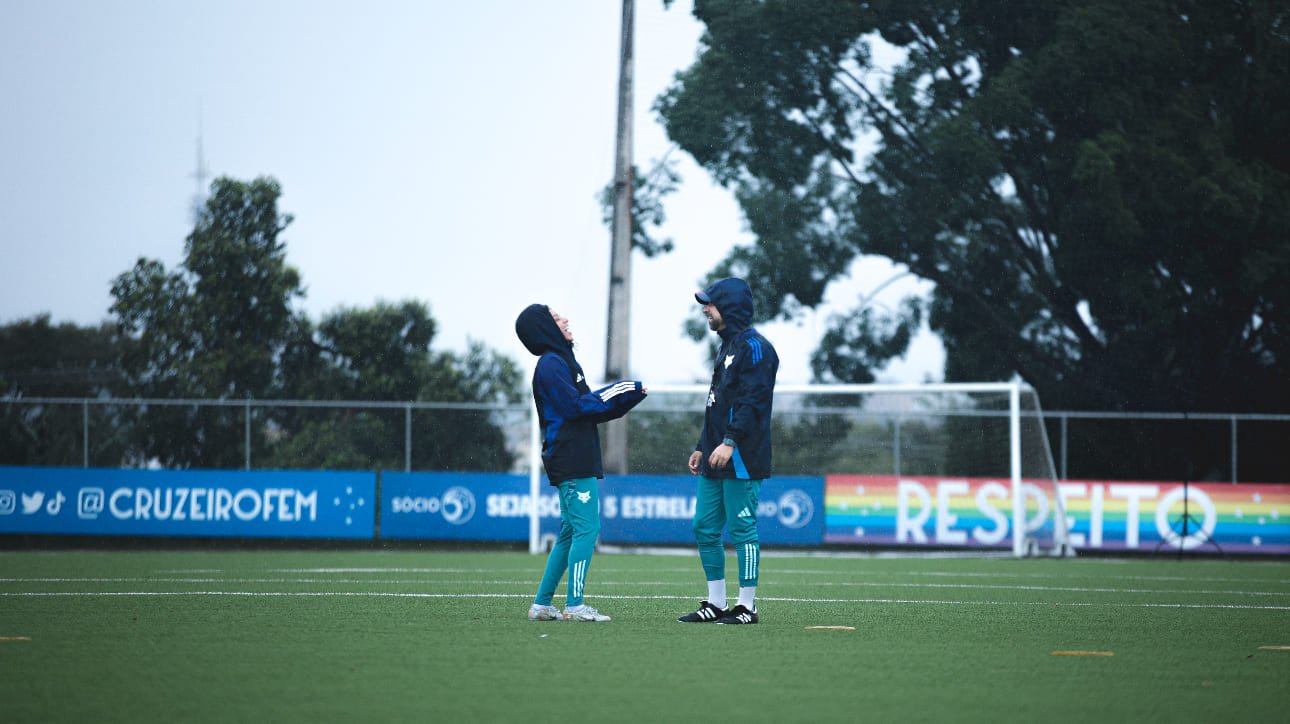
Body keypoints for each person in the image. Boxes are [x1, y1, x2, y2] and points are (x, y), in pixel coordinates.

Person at [515, 303, 647, 622]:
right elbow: (576, 407)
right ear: (545, 328)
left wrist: (628, 397)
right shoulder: (551, 365)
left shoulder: (562, 361)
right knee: (588, 528)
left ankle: (542, 604)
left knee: (570, 531)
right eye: (557, 318)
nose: (565, 319)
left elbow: (592, 409)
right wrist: (623, 387)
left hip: (573, 455)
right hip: (570, 457)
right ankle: (574, 605)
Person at [677, 278, 778, 625]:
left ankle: (747, 607)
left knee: (742, 529)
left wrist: (730, 441)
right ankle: (717, 603)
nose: (705, 309)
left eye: (711, 303)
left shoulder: (756, 348)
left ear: (730, 307)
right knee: (704, 527)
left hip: (742, 456)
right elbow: (718, 405)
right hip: (715, 456)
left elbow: (753, 403)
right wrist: (702, 446)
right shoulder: (728, 347)